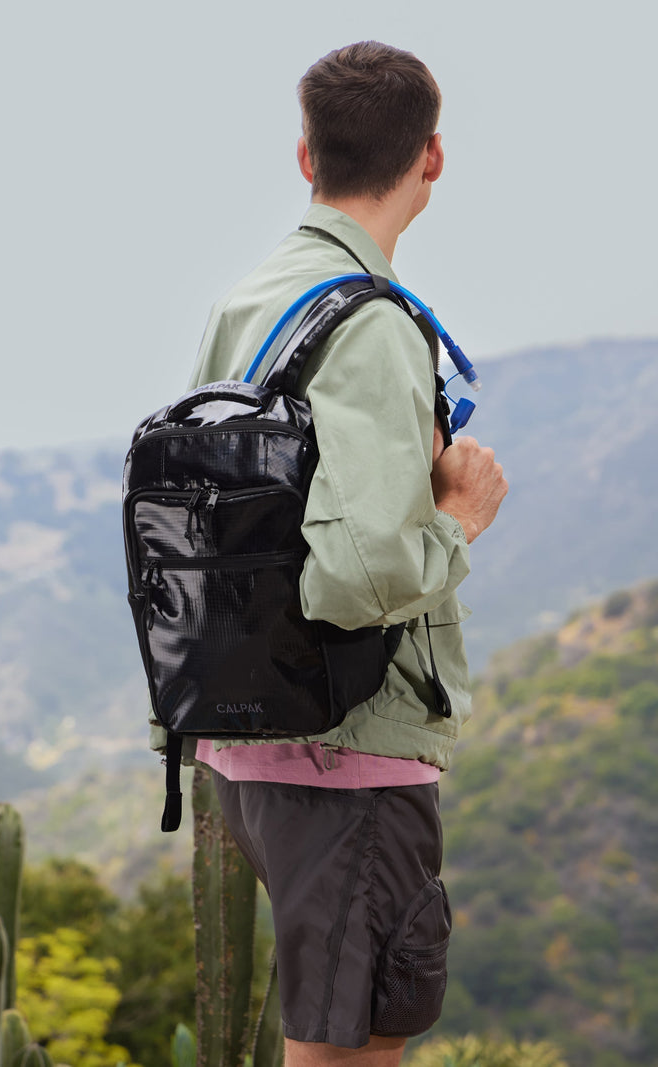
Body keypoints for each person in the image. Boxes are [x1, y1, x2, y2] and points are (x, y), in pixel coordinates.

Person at [183, 41, 508, 1067]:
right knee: (349, 1053)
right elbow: (358, 573)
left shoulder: (251, 299)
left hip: (249, 733)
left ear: (304, 156)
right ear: (434, 158)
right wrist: (458, 518)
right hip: (348, 748)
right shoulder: (367, 325)